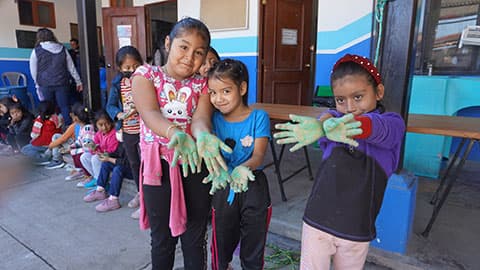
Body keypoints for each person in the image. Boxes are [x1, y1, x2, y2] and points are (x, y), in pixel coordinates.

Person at [274, 54, 406, 270]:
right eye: (341, 100)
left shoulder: (392, 123)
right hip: (317, 221)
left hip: (356, 228)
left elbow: (380, 129)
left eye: (358, 96)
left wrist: (348, 125)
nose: (350, 107)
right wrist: (322, 125)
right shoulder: (331, 123)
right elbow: (328, 116)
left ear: (378, 92)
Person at [131, 17, 230, 270]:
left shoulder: (202, 85)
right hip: (159, 169)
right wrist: (176, 133)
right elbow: (150, 112)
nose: (189, 57)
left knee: (195, 237)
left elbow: (199, 119)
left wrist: (204, 135)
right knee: (162, 239)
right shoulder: (145, 75)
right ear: (168, 43)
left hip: (194, 164)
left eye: (199, 53)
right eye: (183, 47)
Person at [205, 59, 272, 270]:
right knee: (221, 241)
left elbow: (259, 155)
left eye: (225, 91)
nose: (218, 99)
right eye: (213, 92)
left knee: (254, 241)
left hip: (253, 184)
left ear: (242, 88)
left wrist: (245, 168)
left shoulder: (258, 117)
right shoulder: (213, 119)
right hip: (223, 184)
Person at [106, 45, 143, 219]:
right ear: (120, 68)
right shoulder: (117, 84)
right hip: (128, 130)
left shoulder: (146, 79)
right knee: (134, 164)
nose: (131, 70)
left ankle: (147, 199)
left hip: (145, 130)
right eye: (127, 68)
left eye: (135, 66)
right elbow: (110, 106)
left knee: (147, 165)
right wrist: (119, 114)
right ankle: (140, 193)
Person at [29, 28, 83, 126]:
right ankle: (69, 129)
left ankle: (50, 129)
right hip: (62, 83)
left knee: (48, 108)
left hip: (45, 84)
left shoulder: (36, 51)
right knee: (65, 107)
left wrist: (37, 83)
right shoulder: (62, 49)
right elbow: (71, 67)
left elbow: (33, 70)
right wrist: (78, 81)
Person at [82, 142, 133, 212]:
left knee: (118, 169)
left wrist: (109, 159)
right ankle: (100, 190)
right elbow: (117, 153)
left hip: (134, 171)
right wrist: (106, 155)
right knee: (106, 164)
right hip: (124, 164)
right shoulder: (123, 141)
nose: (118, 133)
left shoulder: (132, 142)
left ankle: (113, 199)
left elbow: (127, 162)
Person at [46, 103, 94, 174]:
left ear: (75, 118)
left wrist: (73, 150)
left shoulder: (87, 128)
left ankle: (87, 174)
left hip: (88, 152)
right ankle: (82, 171)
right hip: (83, 148)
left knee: (80, 156)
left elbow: (88, 147)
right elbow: (80, 142)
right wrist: (70, 148)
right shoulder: (81, 127)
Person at [79, 110, 118, 189]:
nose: (104, 127)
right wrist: (92, 147)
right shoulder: (98, 134)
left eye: (107, 124)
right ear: (96, 125)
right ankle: (97, 179)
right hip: (102, 156)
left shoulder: (114, 134)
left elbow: (111, 151)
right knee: (84, 157)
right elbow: (93, 151)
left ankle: (101, 184)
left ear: (111, 123)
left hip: (111, 159)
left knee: (95, 158)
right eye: (100, 125)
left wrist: (97, 150)